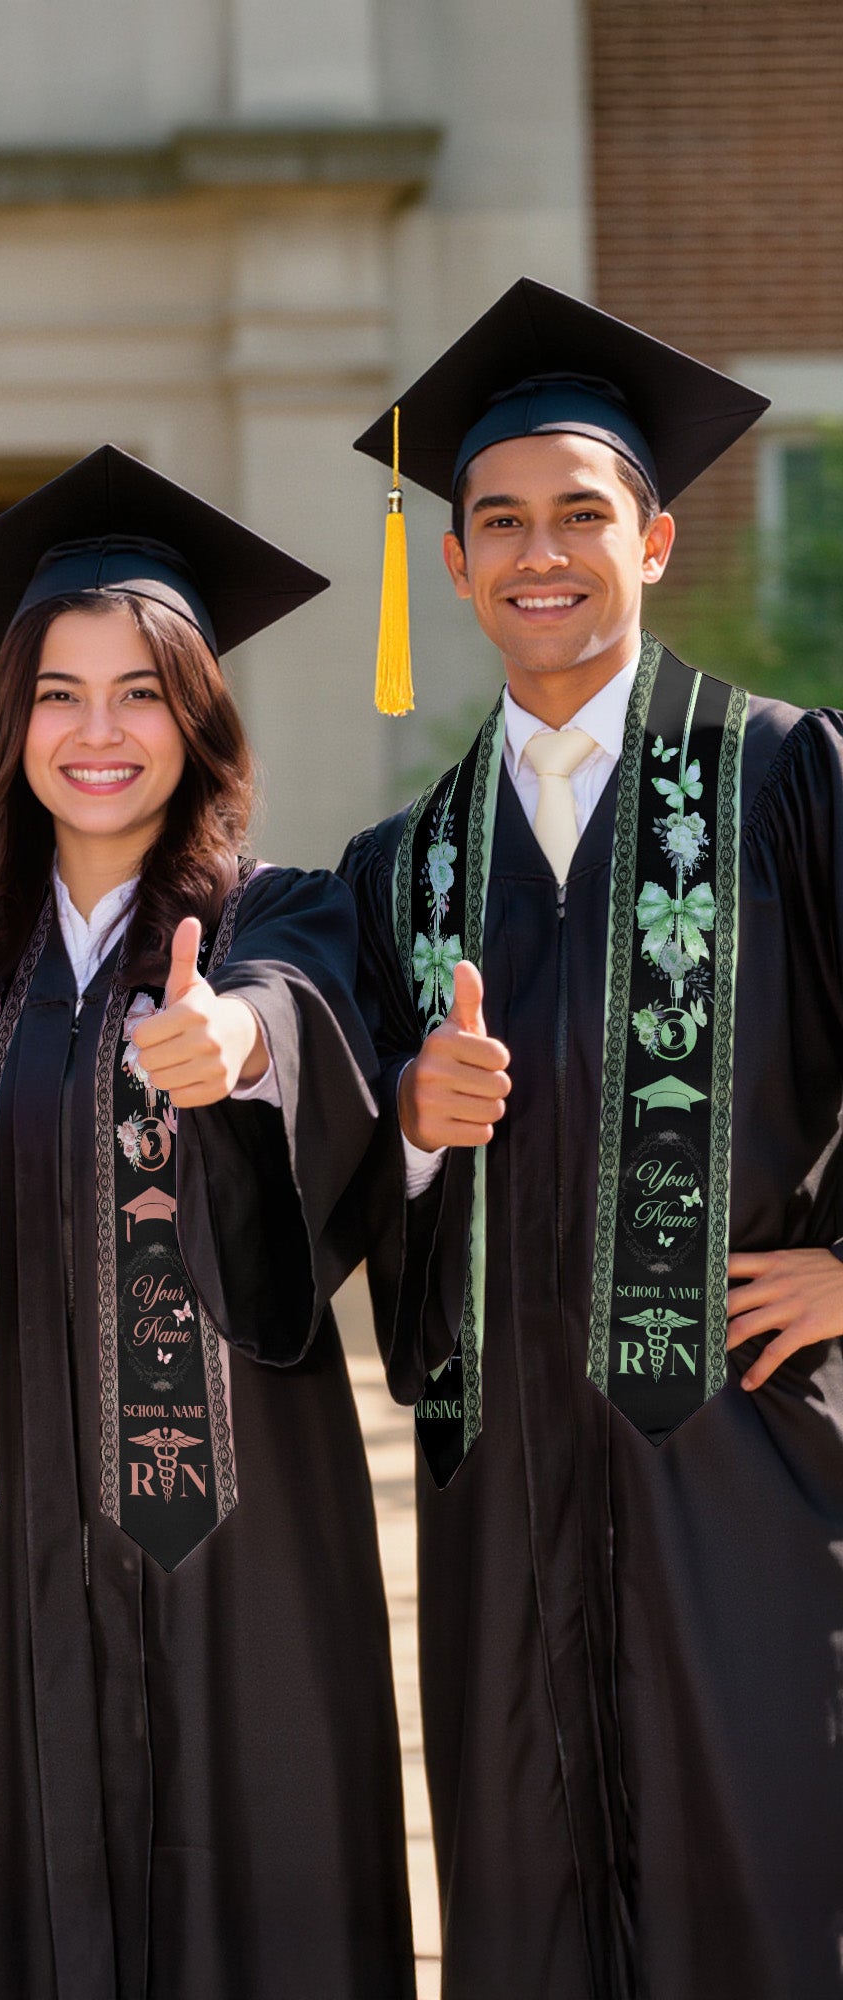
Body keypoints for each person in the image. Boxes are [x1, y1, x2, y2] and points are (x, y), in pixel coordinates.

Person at [0, 446, 413, 1999]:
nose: (100, 733)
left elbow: (305, 1026)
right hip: (19, 1541)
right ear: (9, 719)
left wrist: (238, 1049)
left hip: (248, 1547)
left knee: (267, 1905)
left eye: (143, 692)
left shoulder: (281, 916)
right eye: (60, 694)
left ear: (200, 717)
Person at [340, 279, 843, 1998]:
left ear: (656, 540)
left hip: (746, 1462)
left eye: (580, 515)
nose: (537, 552)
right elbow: (338, 1187)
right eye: (498, 523)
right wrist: (407, 1128)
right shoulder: (404, 867)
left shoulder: (786, 782)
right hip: (503, 1493)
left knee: (763, 1881)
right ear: (459, 563)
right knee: (525, 1898)